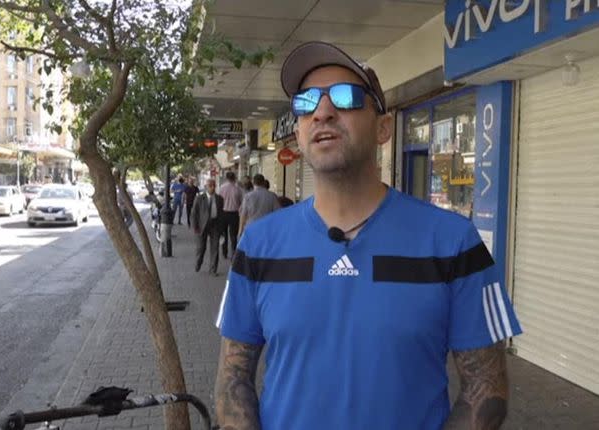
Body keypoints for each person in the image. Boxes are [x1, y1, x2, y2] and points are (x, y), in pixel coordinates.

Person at [215, 41, 522, 430]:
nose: (323, 111)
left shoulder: (455, 243)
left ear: (383, 127)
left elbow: (487, 391)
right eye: (306, 102)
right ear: (298, 129)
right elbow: (232, 381)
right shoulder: (258, 245)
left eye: (345, 97)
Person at [190, 178, 224, 276]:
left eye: (214, 186)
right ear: (206, 187)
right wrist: (195, 227)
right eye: (210, 186)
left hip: (215, 225)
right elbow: (194, 213)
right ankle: (198, 262)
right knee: (201, 248)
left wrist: (222, 229)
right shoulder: (199, 198)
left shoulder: (219, 199)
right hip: (202, 226)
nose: (212, 188)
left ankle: (213, 270)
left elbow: (221, 214)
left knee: (215, 248)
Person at [218, 171, 244, 259]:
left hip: (223, 213)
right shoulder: (238, 189)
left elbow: (219, 200)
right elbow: (242, 202)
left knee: (223, 234)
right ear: (234, 178)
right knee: (233, 235)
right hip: (234, 214)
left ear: (226, 178)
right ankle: (233, 253)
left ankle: (224, 252)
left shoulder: (222, 188)